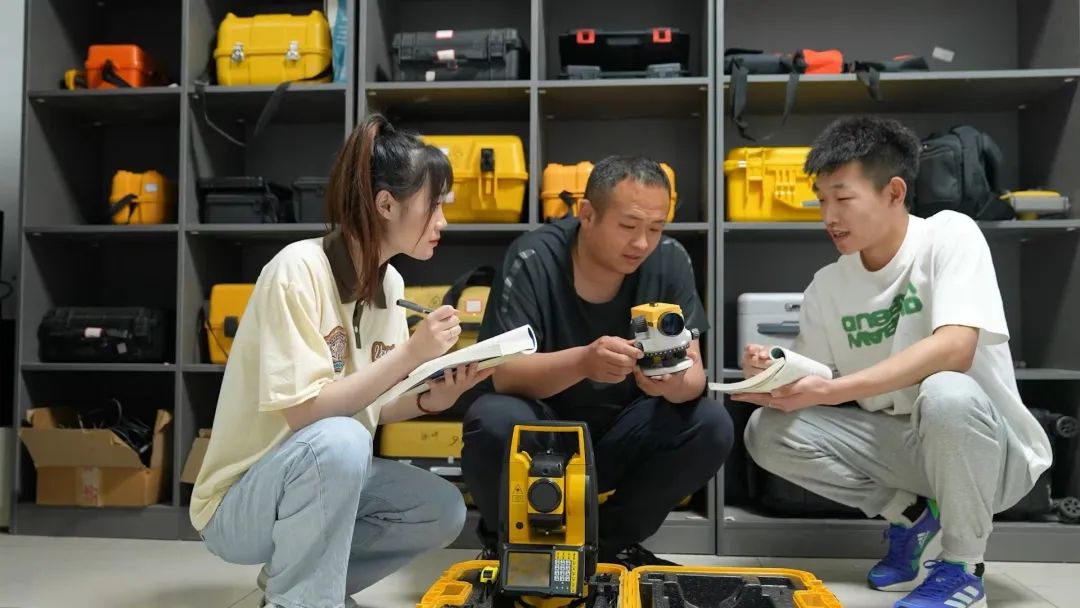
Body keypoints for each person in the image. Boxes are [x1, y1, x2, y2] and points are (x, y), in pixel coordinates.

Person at [738, 116, 1052, 608]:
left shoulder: (950, 235)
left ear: (894, 192)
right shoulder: (828, 285)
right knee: (767, 430)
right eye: (821, 200)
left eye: (843, 198)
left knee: (945, 391)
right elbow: (811, 378)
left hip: (990, 456)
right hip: (905, 451)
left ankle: (963, 567)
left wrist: (833, 390)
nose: (829, 216)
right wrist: (773, 373)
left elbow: (955, 348)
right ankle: (912, 517)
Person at [189, 114, 492, 608]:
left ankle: (298, 589)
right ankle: (302, 601)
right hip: (238, 504)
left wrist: (433, 399)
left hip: (322, 469)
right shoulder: (297, 270)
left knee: (440, 509)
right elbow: (307, 414)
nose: (443, 222)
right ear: (386, 204)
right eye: (434, 205)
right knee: (342, 440)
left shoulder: (389, 283)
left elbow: (371, 403)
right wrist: (412, 353)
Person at [461, 155, 734, 568]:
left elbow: (694, 376)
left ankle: (606, 546)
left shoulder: (670, 260)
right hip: (546, 430)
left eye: (655, 228)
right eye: (628, 226)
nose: (642, 243)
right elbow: (504, 374)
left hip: (626, 432)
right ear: (587, 214)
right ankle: (513, 545)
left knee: (711, 423)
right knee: (492, 419)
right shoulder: (533, 257)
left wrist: (672, 383)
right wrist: (583, 363)